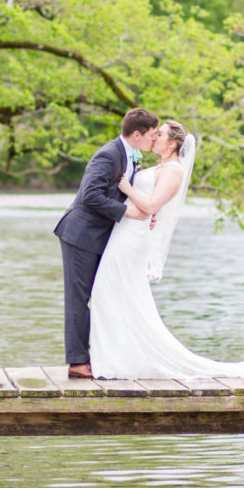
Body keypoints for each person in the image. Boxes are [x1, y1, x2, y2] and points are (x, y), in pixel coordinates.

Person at [87, 120, 244, 380]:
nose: (155, 136)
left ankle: (116, 360)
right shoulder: (161, 166)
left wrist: (128, 188)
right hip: (125, 233)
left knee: (108, 291)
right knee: (114, 293)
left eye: (161, 133)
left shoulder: (174, 171)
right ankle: (116, 357)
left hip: (133, 239)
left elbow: (152, 205)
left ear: (173, 143)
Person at [54, 108, 159, 379]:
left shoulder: (129, 154)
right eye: (151, 135)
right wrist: (127, 212)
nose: (154, 140)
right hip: (80, 234)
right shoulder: (108, 154)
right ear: (136, 134)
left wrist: (142, 212)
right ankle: (77, 362)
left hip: (100, 236)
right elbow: (90, 195)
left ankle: (99, 355)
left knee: (101, 295)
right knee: (79, 298)